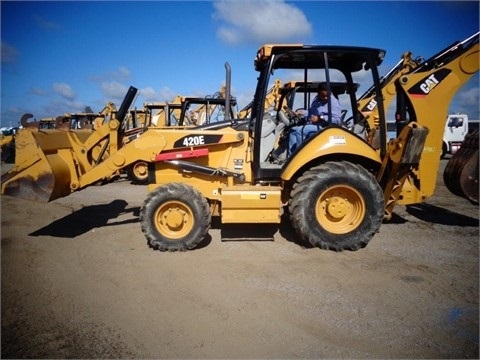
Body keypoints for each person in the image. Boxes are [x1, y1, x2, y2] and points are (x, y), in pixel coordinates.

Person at [287, 82, 342, 157]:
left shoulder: (333, 103)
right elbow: (311, 111)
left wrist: (320, 118)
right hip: (313, 124)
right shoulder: (316, 99)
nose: (325, 98)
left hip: (325, 127)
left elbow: (337, 119)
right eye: (323, 96)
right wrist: (302, 113)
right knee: (292, 130)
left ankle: (300, 156)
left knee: (299, 130)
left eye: (327, 96)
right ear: (318, 93)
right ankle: (291, 157)